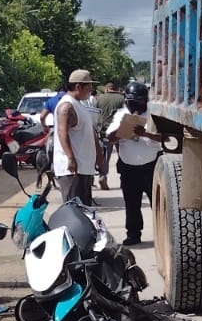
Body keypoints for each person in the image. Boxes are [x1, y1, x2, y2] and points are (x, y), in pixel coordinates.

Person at [105, 80, 165, 247]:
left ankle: (163, 235)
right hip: (128, 168)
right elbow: (109, 139)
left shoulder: (154, 114)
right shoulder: (120, 115)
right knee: (132, 204)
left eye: (137, 103)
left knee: (158, 205)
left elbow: (165, 138)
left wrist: (145, 133)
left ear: (145, 101)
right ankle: (133, 234)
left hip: (151, 167)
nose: (134, 106)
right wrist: (122, 132)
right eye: (130, 103)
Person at [51, 69, 102, 204]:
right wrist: (70, 158)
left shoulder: (79, 105)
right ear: (78, 86)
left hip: (84, 168)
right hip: (72, 171)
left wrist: (98, 155)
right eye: (88, 87)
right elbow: (63, 132)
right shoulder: (67, 106)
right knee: (73, 213)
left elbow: (90, 132)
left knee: (84, 213)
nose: (91, 90)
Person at [94, 83, 124, 190]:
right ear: (116, 89)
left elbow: (96, 114)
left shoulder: (100, 99)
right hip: (119, 131)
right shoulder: (121, 99)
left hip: (104, 131)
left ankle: (103, 175)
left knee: (105, 156)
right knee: (123, 156)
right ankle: (123, 178)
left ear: (107, 89)